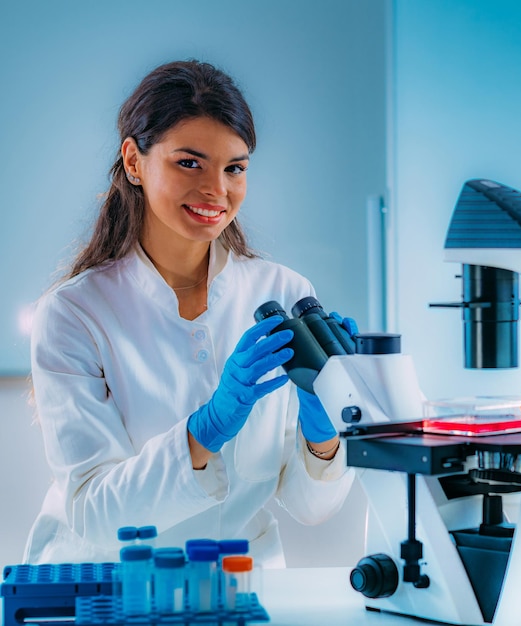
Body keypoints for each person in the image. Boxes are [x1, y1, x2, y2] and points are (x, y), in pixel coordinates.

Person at [25, 59, 355, 568]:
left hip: (239, 583)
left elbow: (313, 506)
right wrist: (207, 428)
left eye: (235, 168)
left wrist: (326, 422)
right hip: (106, 588)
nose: (217, 191)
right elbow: (94, 514)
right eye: (189, 163)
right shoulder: (74, 313)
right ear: (134, 161)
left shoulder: (283, 291)